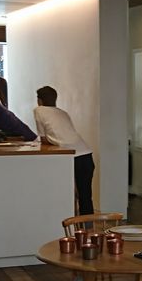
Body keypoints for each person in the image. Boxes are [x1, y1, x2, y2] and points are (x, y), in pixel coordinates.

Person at [34, 85, 94, 215]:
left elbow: (43, 138)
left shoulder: (39, 110)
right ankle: (88, 225)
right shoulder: (63, 113)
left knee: (66, 194)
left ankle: (69, 223)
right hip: (86, 153)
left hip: (69, 155)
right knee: (85, 195)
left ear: (40, 100)